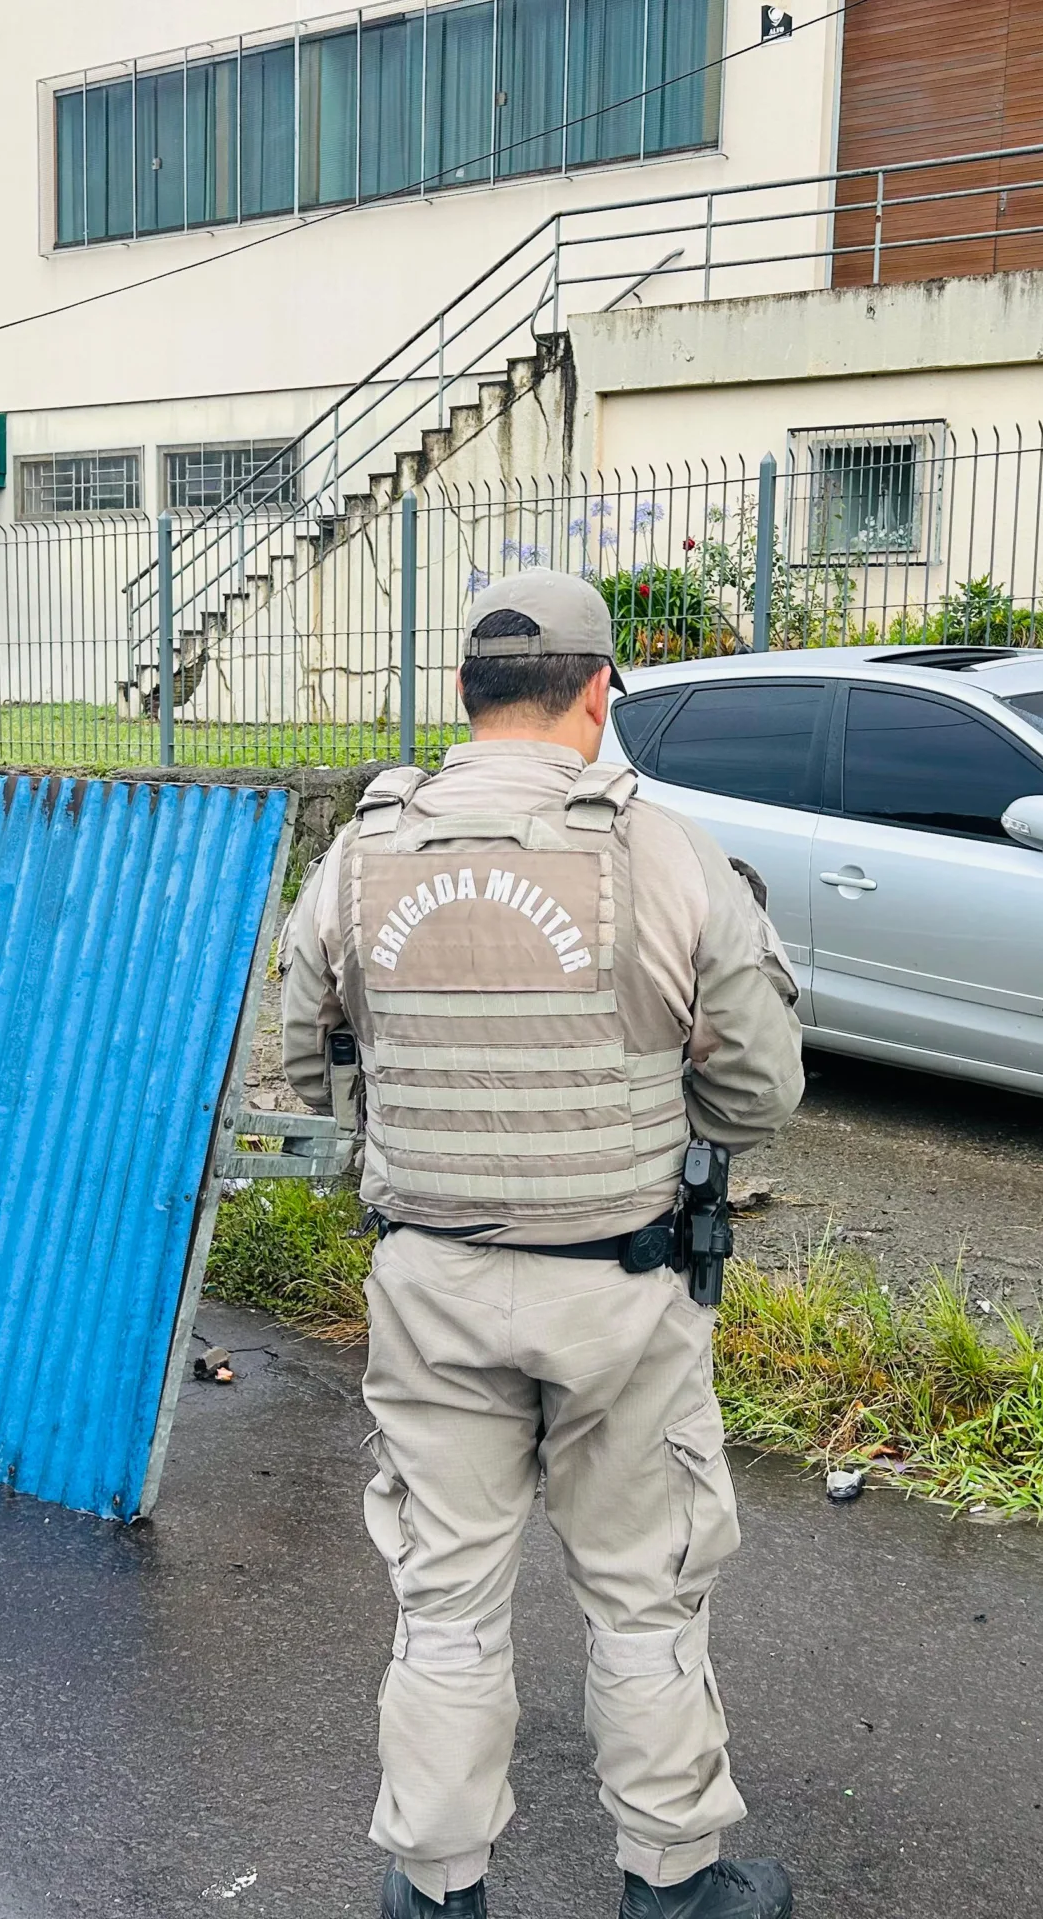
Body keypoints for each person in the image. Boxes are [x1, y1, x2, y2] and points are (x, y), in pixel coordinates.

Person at [282, 571, 806, 1919]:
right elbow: (757, 1093)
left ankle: (437, 1888)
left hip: (430, 1284)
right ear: (598, 691)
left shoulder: (360, 852)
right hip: (622, 1293)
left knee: (446, 1599)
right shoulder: (666, 852)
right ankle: (674, 1886)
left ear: (465, 695)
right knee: (645, 1590)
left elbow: (307, 1066)